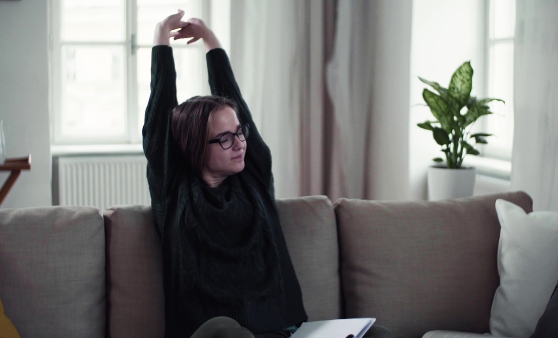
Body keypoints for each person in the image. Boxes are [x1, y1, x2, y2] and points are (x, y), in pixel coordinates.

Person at [143, 10, 393, 338]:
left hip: (284, 332)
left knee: (378, 334)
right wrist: (161, 35)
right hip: (216, 334)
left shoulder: (253, 180)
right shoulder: (175, 192)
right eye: (224, 138)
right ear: (194, 148)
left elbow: (234, 100)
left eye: (240, 132)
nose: (239, 144)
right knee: (224, 330)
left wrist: (210, 40)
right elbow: (160, 120)